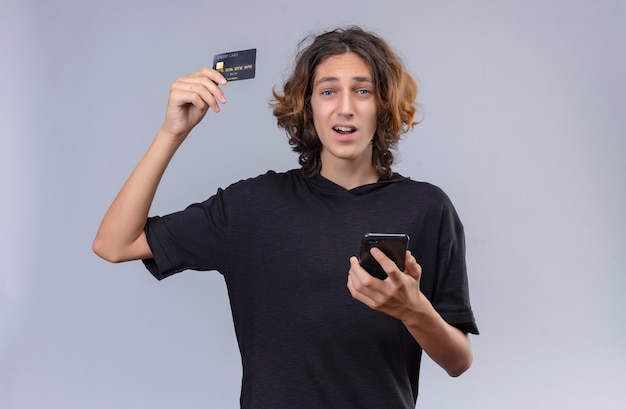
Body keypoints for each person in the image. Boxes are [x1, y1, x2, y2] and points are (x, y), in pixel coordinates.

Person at [93, 26, 479, 408]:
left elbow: (458, 361)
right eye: (328, 91)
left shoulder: (428, 208)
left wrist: (413, 311)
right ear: (307, 105)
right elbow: (115, 243)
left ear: (383, 104)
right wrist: (171, 132)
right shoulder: (251, 206)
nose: (345, 107)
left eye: (363, 91)